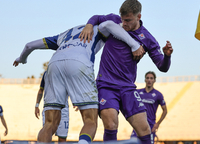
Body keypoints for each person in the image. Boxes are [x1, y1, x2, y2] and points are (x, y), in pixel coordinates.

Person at [13, 21, 144, 143]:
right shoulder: (97, 28)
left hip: (54, 65)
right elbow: (110, 24)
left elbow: (29, 45)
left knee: (49, 123)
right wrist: (134, 44)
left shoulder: (64, 35)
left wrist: (22, 58)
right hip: (79, 63)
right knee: (90, 121)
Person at [79, 0, 173, 144]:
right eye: (123, 19)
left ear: (138, 17)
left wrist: (167, 56)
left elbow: (162, 67)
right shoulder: (115, 21)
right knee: (110, 124)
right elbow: (97, 17)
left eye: (128, 20)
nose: (124, 24)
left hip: (128, 88)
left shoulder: (147, 38)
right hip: (106, 85)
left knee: (145, 130)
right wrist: (89, 25)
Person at [131, 71, 167, 143]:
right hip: (138, 125)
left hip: (150, 126)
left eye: (151, 78)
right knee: (132, 142)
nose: (149, 80)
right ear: (145, 80)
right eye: (147, 78)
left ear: (154, 80)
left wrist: (157, 124)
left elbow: (165, 110)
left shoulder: (158, 94)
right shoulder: (137, 92)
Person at [35, 71, 69, 142]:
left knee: (62, 138)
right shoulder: (46, 73)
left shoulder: (67, 71)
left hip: (63, 108)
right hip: (49, 107)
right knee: (46, 132)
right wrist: (37, 105)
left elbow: (71, 88)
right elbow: (41, 90)